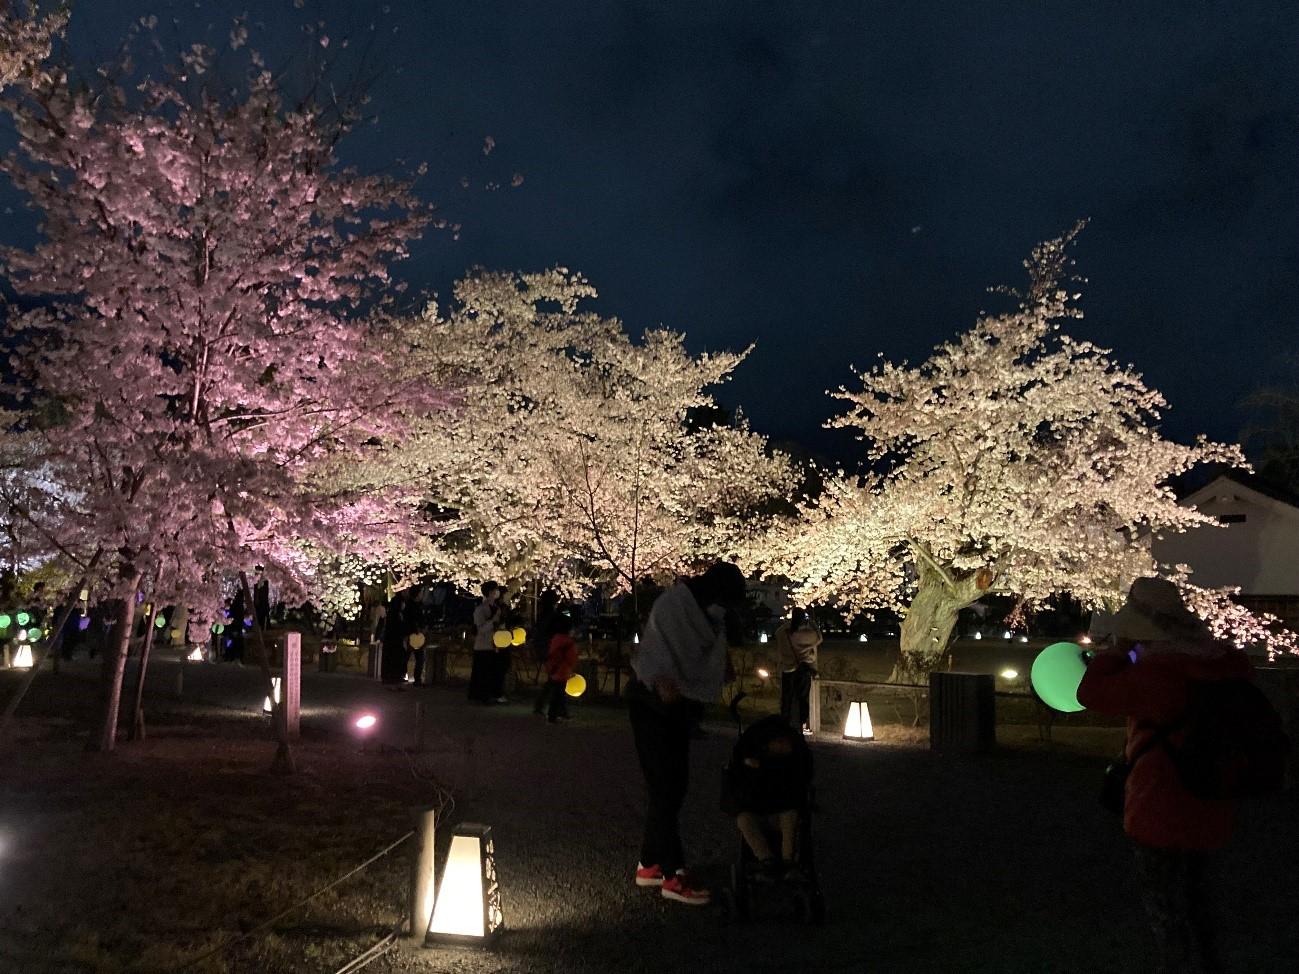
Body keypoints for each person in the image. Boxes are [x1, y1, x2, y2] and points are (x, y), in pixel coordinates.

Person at [1077, 576, 1252, 974]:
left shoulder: (1157, 676)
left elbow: (1089, 693)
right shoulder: (1225, 669)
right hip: (1215, 800)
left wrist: (1117, 651)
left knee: (1165, 907)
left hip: (1158, 806)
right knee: (1201, 900)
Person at [628, 560, 747, 906]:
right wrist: (662, 678)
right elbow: (655, 654)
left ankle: (649, 864)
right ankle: (672, 874)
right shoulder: (674, 605)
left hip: (675, 707)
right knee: (666, 787)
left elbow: (709, 650)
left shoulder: (709, 613)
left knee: (670, 787)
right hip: (651, 703)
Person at [721, 714, 813, 881]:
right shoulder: (751, 756)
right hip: (758, 810)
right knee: (744, 819)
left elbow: (800, 783)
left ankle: (788, 862)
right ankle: (766, 860)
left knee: (790, 815)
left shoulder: (790, 763)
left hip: (781, 809)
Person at [774, 608, 821, 735]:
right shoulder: (806, 634)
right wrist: (812, 622)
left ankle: (785, 725)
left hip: (787, 670)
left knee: (787, 699)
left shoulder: (783, 633)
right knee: (802, 699)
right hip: (802, 671)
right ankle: (800, 725)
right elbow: (819, 638)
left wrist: (788, 623)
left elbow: (777, 632)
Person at [534, 615, 578, 723]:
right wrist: (572, 667)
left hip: (553, 669)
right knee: (558, 694)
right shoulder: (568, 642)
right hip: (562, 671)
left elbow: (551, 653)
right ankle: (553, 715)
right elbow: (571, 657)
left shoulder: (555, 639)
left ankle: (544, 708)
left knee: (553, 690)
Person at [468, 581, 504, 703]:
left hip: (494, 644)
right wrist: (493, 621)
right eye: (495, 590)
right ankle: (481, 696)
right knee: (482, 673)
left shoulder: (497, 608)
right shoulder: (480, 609)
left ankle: (491, 694)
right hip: (483, 645)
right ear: (490, 592)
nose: (497, 592)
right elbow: (480, 628)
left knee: (492, 672)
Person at [378, 590, 411, 687]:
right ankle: (393, 677)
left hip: (393, 641)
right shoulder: (395, 615)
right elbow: (398, 628)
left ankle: (393, 677)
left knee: (393, 658)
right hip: (394, 641)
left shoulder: (394, 614)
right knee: (394, 658)